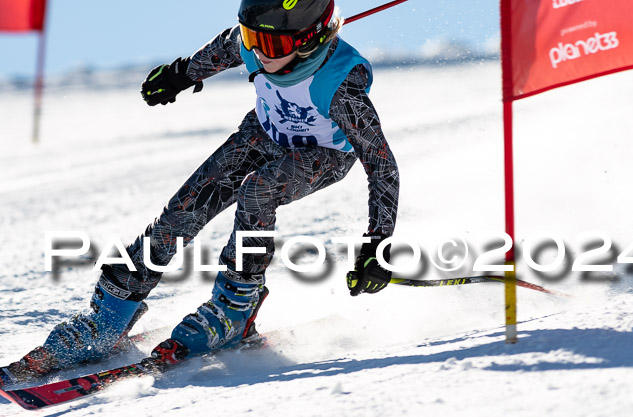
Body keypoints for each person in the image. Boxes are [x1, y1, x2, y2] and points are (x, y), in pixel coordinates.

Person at [0, 0, 399, 386]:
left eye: (272, 45)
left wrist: (377, 245)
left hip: (322, 154)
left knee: (258, 191)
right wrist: (181, 75)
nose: (257, 52)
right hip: (263, 134)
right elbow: (224, 47)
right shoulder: (255, 45)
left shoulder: (340, 88)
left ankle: (235, 309)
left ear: (311, 40)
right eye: (252, 37)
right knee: (181, 212)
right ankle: (108, 318)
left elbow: (381, 164)